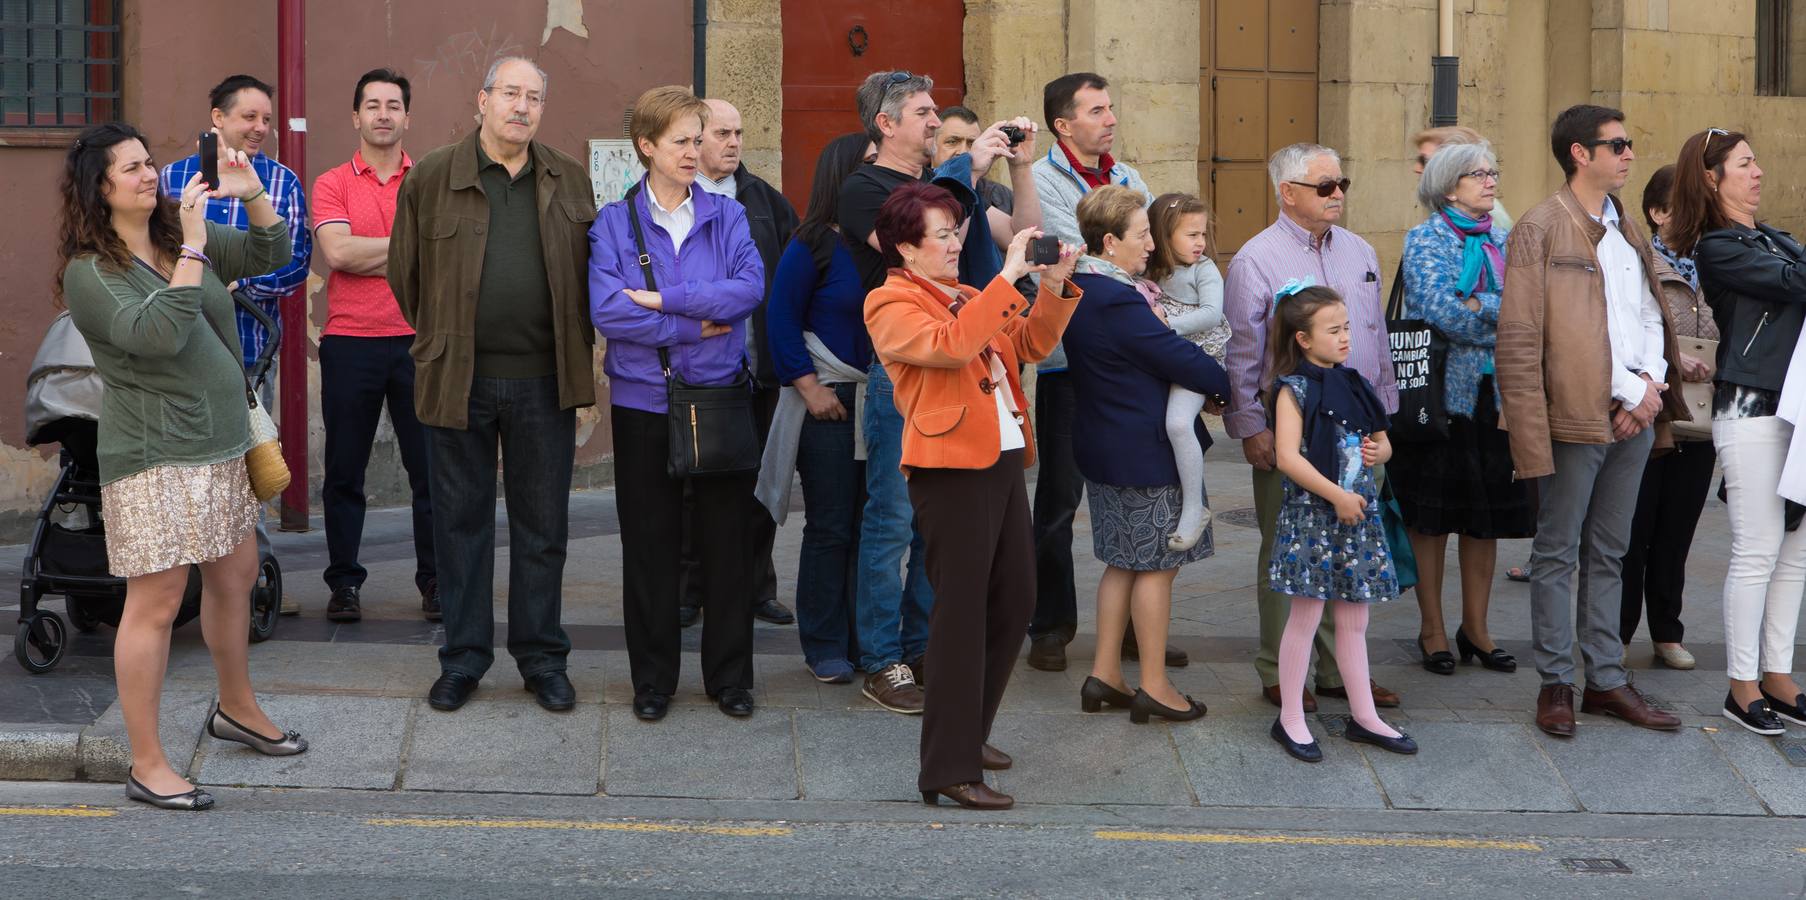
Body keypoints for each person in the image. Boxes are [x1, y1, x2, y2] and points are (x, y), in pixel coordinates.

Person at [59, 123, 307, 810]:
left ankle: (237, 710)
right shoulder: (91, 272)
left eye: (149, 163)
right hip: (155, 456)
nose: (149, 175)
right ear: (99, 188)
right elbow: (159, 336)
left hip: (223, 442)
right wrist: (196, 245)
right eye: (132, 168)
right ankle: (146, 763)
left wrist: (252, 191)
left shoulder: (173, 238)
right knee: (159, 601)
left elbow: (273, 249)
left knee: (236, 575)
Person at [863, 180, 1082, 810]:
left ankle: (967, 734)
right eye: (942, 235)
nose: (957, 243)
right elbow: (950, 346)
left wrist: (1055, 285)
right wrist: (1007, 278)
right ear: (906, 248)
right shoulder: (890, 302)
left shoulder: (966, 294)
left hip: (1001, 458)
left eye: (958, 232)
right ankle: (947, 768)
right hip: (951, 469)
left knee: (1015, 599)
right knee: (959, 619)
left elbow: (1033, 345)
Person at [389, 57, 597, 714]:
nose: (522, 107)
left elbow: (590, 272)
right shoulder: (431, 177)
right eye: (510, 93)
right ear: (482, 101)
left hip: (544, 380)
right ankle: (464, 659)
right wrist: (446, 339)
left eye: (534, 96)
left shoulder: (567, 177)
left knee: (544, 526)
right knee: (460, 525)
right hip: (459, 380)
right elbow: (406, 276)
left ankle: (541, 658)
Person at [838, 69, 1038, 714]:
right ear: (885, 124)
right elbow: (910, 260)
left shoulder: (957, 188)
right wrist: (964, 166)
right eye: (922, 113)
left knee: (939, 538)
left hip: (983, 354)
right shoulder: (865, 188)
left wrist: (1020, 169)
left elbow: (1023, 234)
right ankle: (881, 657)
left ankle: (926, 646)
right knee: (893, 520)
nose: (935, 120)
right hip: (918, 371)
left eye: (935, 112)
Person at [1496, 104, 1687, 739]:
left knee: (1611, 550)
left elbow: (1647, 314)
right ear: (1580, 153)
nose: (1630, 154)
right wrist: (1626, 390)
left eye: (1630, 144)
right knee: (1558, 549)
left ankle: (1604, 679)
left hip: (1636, 407)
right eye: (1618, 145)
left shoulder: (1628, 227)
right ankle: (1557, 681)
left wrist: (1650, 389)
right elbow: (1528, 336)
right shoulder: (1540, 226)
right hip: (1577, 412)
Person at [590, 85, 765, 722]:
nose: (695, 152)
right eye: (682, 141)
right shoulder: (614, 221)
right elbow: (609, 311)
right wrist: (694, 324)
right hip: (644, 403)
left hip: (718, 396)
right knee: (649, 545)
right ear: (647, 147)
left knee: (727, 545)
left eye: (700, 139)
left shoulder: (729, 215)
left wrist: (664, 302)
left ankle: (730, 679)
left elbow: (747, 290)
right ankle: (653, 682)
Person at [1223, 143, 1401, 714]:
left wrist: (1385, 413)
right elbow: (1244, 354)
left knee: (1347, 546)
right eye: (1324, 186)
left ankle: (1337, 672)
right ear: (1288, 193)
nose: (1338, 194)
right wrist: (1252, 428)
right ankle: (1281, 669)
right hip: (1293, 429)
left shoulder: (1361, 250)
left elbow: (1374, 337)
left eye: (1341, 183)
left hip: (1357, 430)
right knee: (1289, 547)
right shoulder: (1256, 259)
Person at [1062, 186, 1229, 724]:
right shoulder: (1117, 298)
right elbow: (1176, 354)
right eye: (1142, 236)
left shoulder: (1083, 285)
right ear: (1109, 241)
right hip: (1144, 450)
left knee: (1121, 564)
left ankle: (1105, 672)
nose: (1152, 247)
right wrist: (1221, 384)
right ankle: (1153, 684)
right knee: (1156, 569)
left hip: (1106, 444)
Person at [1025, 72, 1167, 673]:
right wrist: (1125, 259)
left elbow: (1150, 248)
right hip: (1070, 363)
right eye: (1097, 110)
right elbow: (1070, 254)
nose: (1110, 118)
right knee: (1058, 501)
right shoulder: (1039, 180)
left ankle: (1140, 629)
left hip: (1133, 366)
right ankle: (1050, 626)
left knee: (1138, 492)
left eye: (1111, 108)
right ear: (1063, 124)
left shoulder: (1129, 177)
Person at [1668, 128, 1806, 735]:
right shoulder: (1718, 247)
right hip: (1750, 410)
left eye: (1756, 162)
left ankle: (1779, 675)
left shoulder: (1772, 237)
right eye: (1744, 163)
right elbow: (1793, 285)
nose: (1757, 172)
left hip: (1797, 408)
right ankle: (1741, 685)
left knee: (1796, 553)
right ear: (1711, 176)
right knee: (1756, 549)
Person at [160, 73, 311, 616]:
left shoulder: (281, 182)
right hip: (175, 359)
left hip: (247, 353)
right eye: (249, 117)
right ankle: (187, 584)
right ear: (217, 118)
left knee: (251, 468)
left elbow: (294, 263)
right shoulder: (171, 179)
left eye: (267, 119)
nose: (260, 128)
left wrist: (238, 282)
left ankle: (251, 583)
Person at [1392, 141, 1533, 677]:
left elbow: (1526, 310)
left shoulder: (1504, 237)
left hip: (1496, 400)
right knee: (1431, 520)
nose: (1491, 181)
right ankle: (1431, 629)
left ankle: (1477, 627)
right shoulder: (1424, 239)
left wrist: (1483, 306)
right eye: (1478, 174)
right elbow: (1440, 313)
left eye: (1493, 172)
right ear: (1449, 186)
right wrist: (1490, 315)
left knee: (1486, 522)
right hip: (1438, 402)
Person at [1262, 283, 1415, 763]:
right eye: (1334, 329)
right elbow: (1287, 457)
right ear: (1303, 339)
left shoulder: (1355, 382)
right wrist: (1336, 496)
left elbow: (1384, 441)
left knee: (1355, 618)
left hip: (1356, 516)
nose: (1346, 336)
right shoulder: (1293, 389)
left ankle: (1364, 715)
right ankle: (1290, 716)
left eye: (1347, 326)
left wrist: (1379, 451)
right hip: (1314, 518)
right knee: (1304, 618)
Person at [310, 67, 436, 624]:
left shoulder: (430, 180)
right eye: (372, 105)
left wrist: (374, 250)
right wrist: (413, 247)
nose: (383, 114)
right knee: (344, 472)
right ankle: (344, 584)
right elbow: (337, 255)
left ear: (407, 117)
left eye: (393, 105)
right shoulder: (332, 182)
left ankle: (436, 583)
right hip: (349, 342)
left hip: (420, 341)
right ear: (355, 116)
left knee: (430, 473)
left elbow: (448, 256)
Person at [755, 132, 875, 684]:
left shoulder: (891, 244)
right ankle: (825, 644)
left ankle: (867, 639)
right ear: (844, 176)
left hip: (885, 404)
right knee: (831, 527)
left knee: (874, 528)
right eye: (871, 166)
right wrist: (809, 387)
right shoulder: (812, 243)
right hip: (830, 403)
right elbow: (779, 318)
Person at [679, 98, 798, 629]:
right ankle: (689, 589)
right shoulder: (674, 199)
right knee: (693, 483)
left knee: (761, 482)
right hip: (698, 373)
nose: (733, 143)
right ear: (694, 138)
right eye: (721, 133)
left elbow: (794, 279)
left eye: (739, 132)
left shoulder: (764, 200)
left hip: (761, 369)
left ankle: (756, 586)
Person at [1620, 164, 1715, 672]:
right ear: (1657, 213)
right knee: (1633, 533)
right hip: (1651, 414)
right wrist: (1674, 361)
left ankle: (1667, 633)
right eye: (1683, 203)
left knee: (1677, 534)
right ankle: (1615, 635)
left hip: (1701, 418)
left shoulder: (1717, 262)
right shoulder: (1639, 263)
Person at [1147, 192, 1230, 552]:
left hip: (1199, 358)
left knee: (1179, 424)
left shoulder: (1204, 269)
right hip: (1163, 358)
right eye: (1191, 235)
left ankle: (1194, 508)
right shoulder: (1149, 268)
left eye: (1203, 234)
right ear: (1164, 236)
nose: (1201, 243)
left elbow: (1212, 313)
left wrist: (1166, 326)